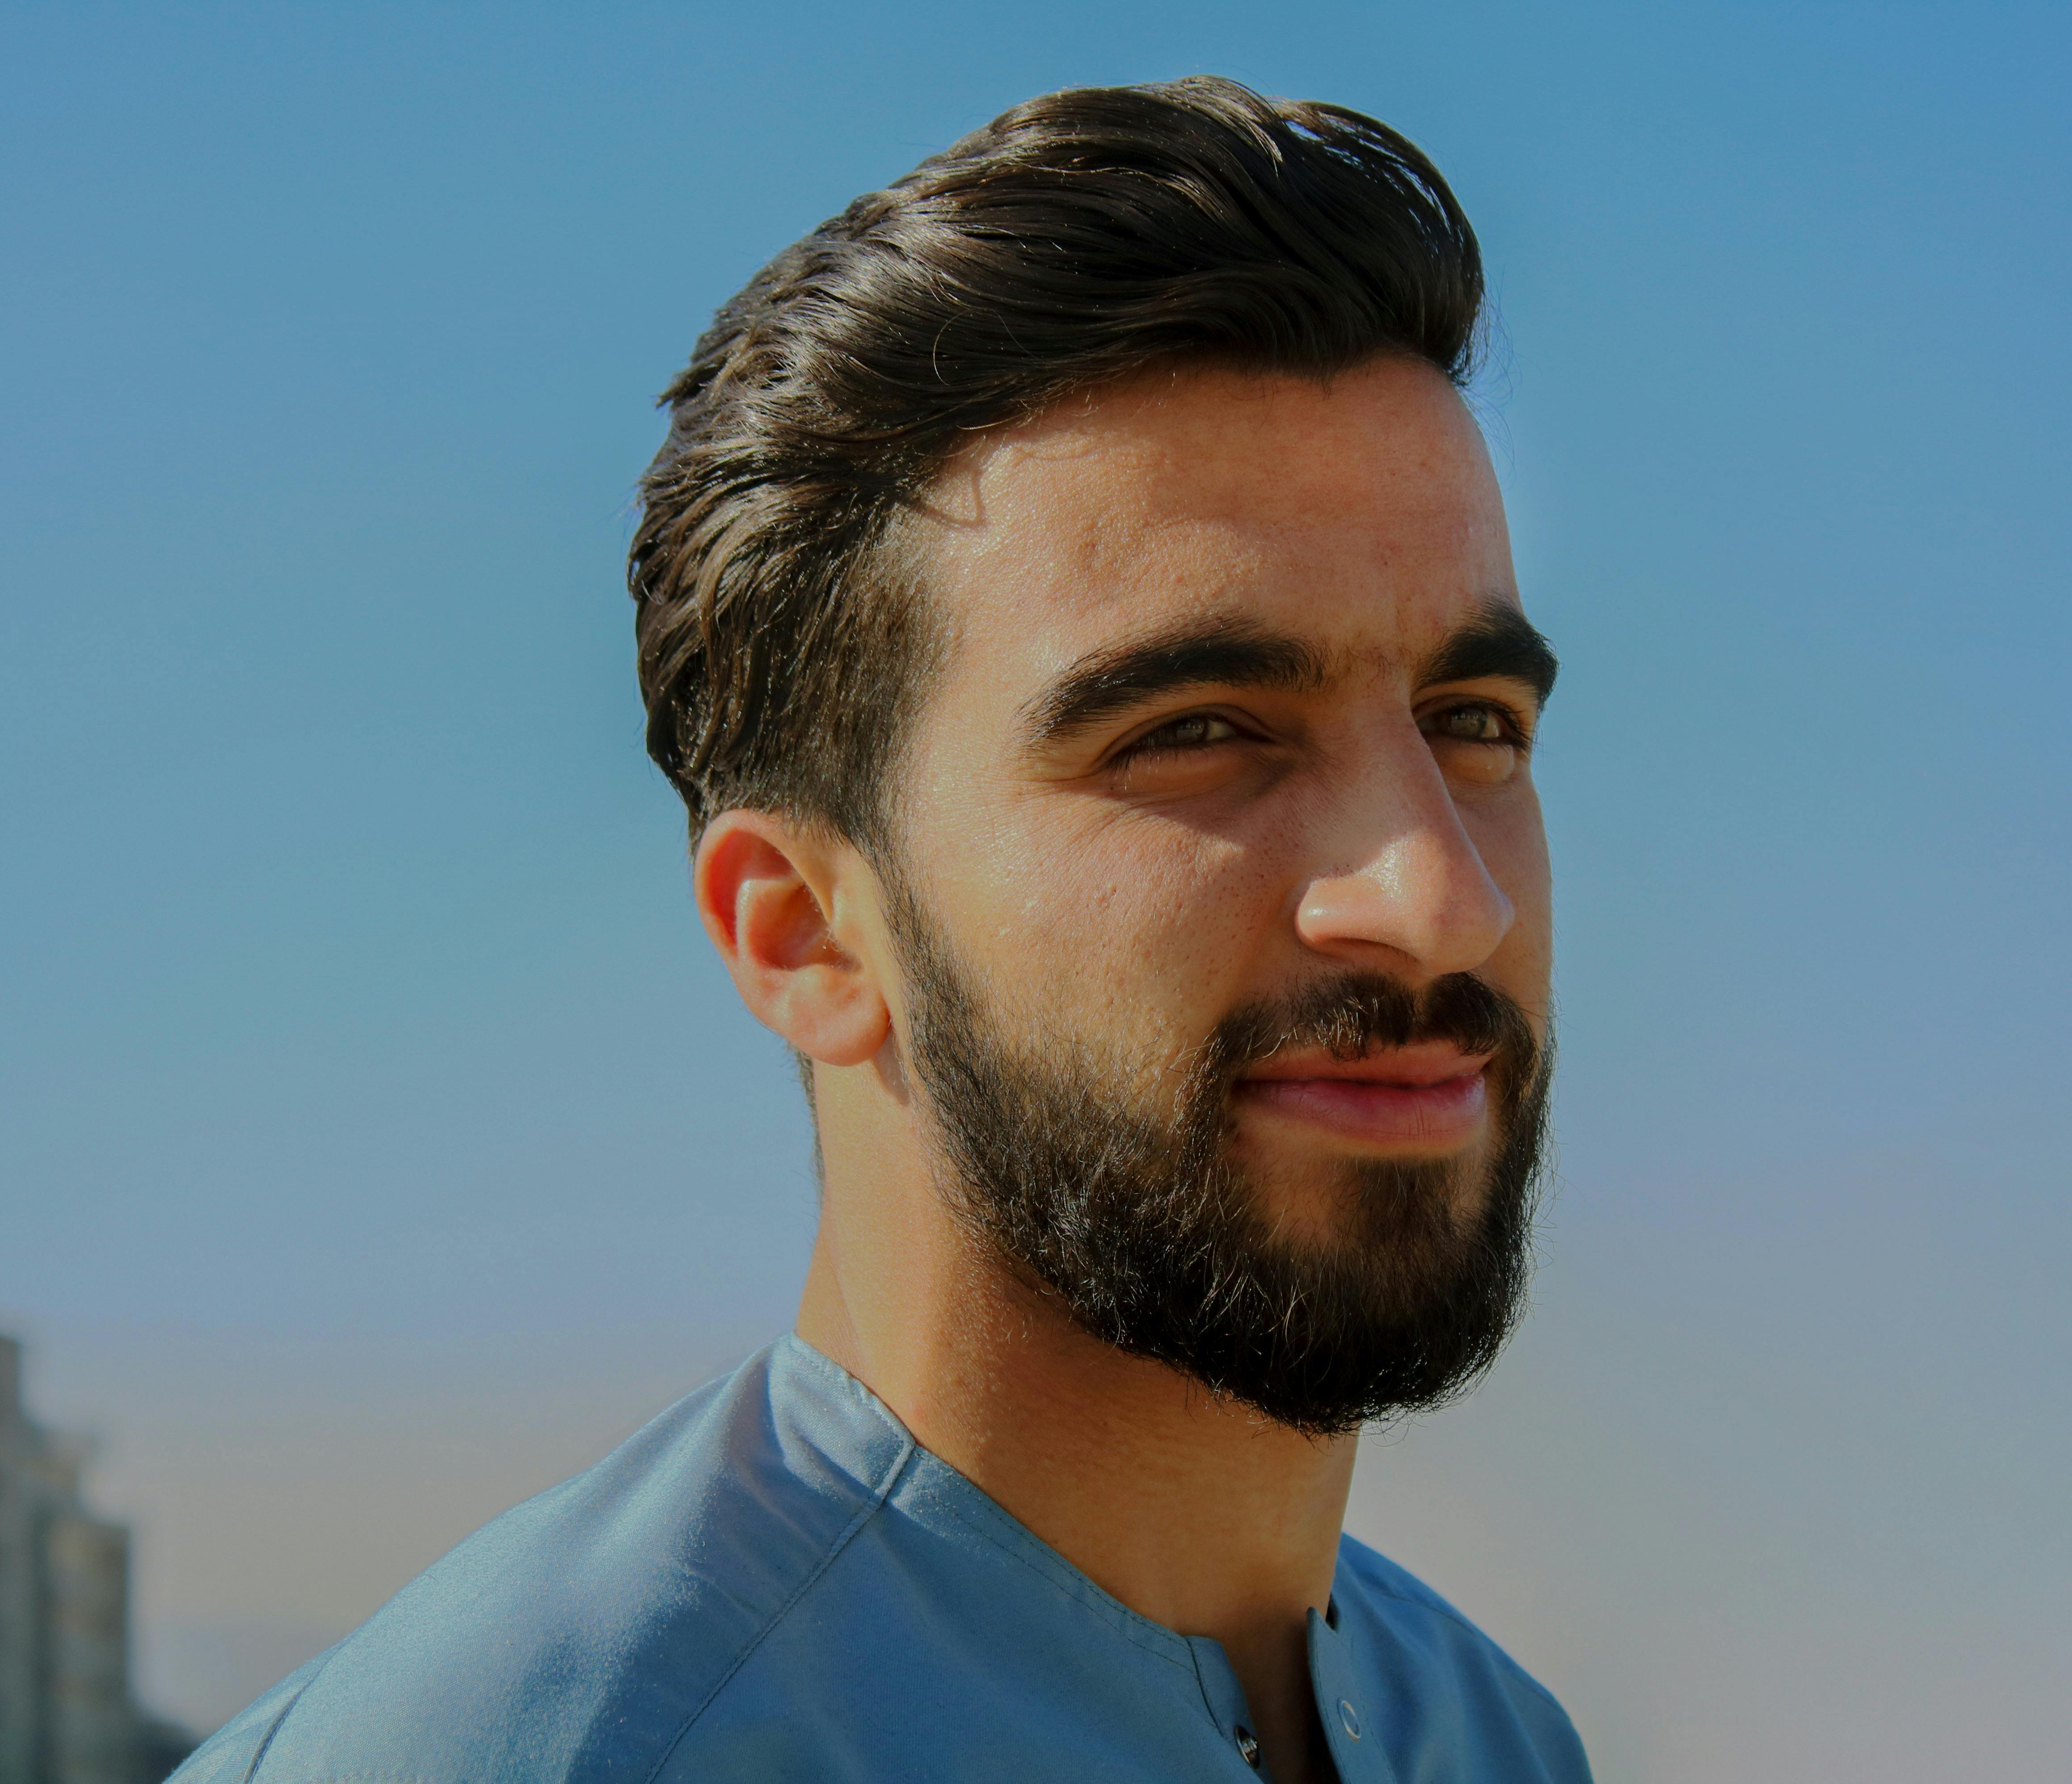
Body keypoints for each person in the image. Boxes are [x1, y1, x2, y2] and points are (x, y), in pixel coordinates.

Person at [176, 75, 1587, 1784]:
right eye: (1199, 728)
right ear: (805, 937)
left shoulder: (1500, 1741)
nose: (1443, 894)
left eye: (1474, 721)